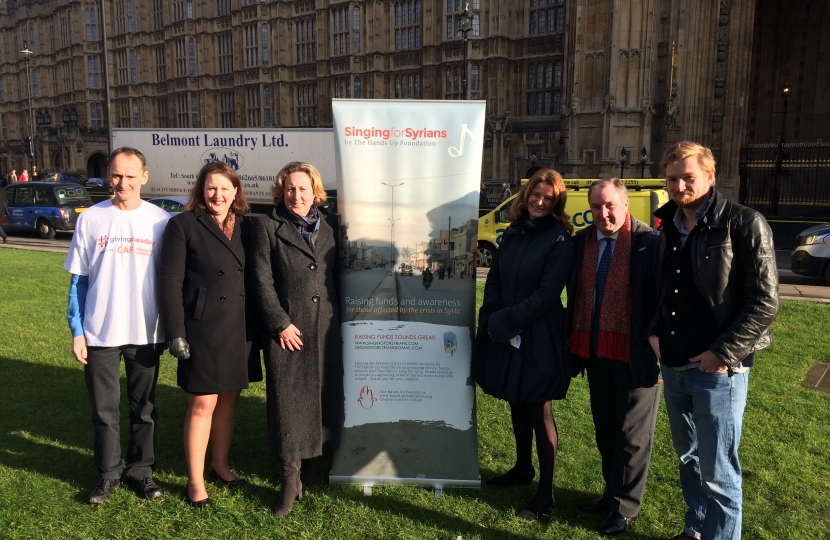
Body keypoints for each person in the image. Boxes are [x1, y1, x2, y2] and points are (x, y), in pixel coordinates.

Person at [648, 141, 779, 540]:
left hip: (717, 371)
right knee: (689, 459)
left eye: (688, 177)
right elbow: (664, 286)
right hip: (673, 365)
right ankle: (696, 528)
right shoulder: (669, 224)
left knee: (720, 471)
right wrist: (654, 332)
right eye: (672, 179)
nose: (680, 185)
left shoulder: (743, 223)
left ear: (710, 176)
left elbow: (765, 301)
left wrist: (722, 352)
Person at [64, 147, 170, 504]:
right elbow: (78, 281)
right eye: (116, 175)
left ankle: (141, 471)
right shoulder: (91, 219)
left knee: (144, 409)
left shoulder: (160, 221)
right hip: (99, 332)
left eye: (130, 175)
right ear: (108, 175)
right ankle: (108, 474)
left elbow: (170, 280)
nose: (122, 182)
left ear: (144, 176)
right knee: (103, 411)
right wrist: (77, 330)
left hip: (145, 331)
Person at [472, 168, 575, 520]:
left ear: (557, 201)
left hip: (539, 333)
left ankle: (545, 493)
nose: (540, 201)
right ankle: (522, 467)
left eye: (548, 197)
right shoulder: (513, 233)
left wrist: (508, 319)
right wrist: (492, 312)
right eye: (536, 194)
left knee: (538, 407)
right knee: (515, 400)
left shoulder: (560, 239)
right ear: (525, 195)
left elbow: (548, 294)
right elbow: (496, 278)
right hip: (509, 328)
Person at [158, 162, 261, 508]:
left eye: (225, 188)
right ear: (201, 190)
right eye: (211, 188)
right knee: (203, 403)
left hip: (239, 327)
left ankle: (220, 464)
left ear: (236, 192)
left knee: (230, 399)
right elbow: (170, 282)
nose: (218, 195)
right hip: (201, 329)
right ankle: (195, 481)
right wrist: (175, 330)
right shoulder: (183, 224)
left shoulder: (248, 227)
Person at [566, 178, 661, 536]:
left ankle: (626, 507)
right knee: (606, 429)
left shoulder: (648, 243)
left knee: (632, 435)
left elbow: (660, 299)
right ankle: (611, 493)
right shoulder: (582, 243)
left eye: (609, 205)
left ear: (625, 205)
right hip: (594, 351)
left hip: (635, 354)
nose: (603, 213)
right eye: (595, 206)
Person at [251, 161, 344, 518]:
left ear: (314, 191)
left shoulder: (331, 226)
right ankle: (290, 480)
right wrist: (279, 323)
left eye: (303, 188)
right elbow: (262, 281)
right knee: (289, 403)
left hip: (324, 329)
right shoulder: (267, 226)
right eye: (290, 189)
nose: (296, 195)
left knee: (320, 398)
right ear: (281, 191)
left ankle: (309, 468)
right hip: (288, 331)